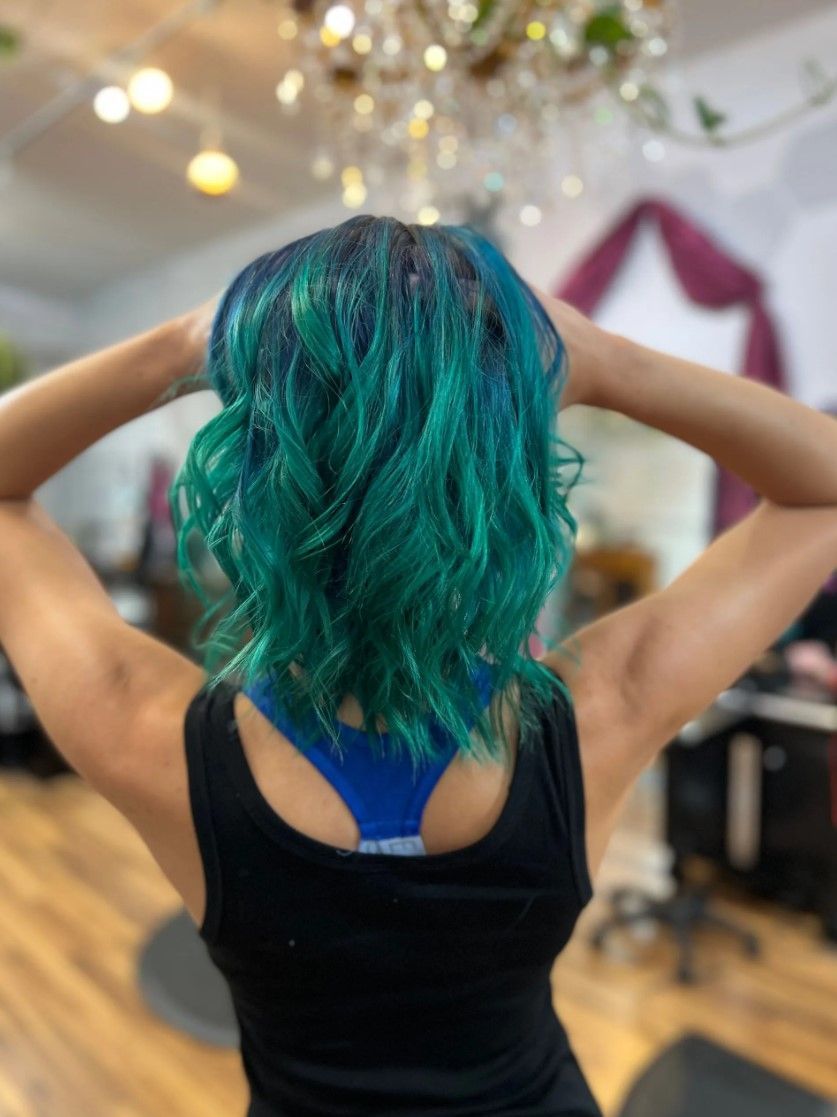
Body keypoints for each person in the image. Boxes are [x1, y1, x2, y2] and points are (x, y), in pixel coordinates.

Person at [0, 215, 835, 1117]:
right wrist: (601, 360)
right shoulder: (594, 716)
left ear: (258, 481)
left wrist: (187, 341)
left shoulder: (147, 733)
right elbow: (818, 489)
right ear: (503, 488)